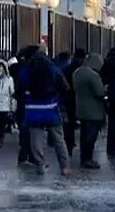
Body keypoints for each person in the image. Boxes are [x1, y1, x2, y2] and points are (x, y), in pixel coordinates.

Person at [21, 48, 72, 176]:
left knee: (36, 140)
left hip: (33, 111)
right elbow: (65, 87)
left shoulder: (26, 71)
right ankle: (65, 167)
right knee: (59, 139)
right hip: (51, 109)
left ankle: (40, 163)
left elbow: (19, 90)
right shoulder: (53, 69)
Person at [73, 53, 105, 169]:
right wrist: (106, 88)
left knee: (83, 135)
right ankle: (88, 159)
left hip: (81, 109)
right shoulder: (93, 75)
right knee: (90, 137)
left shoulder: (77, 72)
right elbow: (99, 92)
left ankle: (83, 158)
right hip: (93, 111)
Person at [12, 46, 39, 165]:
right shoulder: (31, 68)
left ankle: (24, 153)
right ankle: (30, 154)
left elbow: (19, 89)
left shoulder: (22, 68)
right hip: (30, 102)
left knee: (25, 129)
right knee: (31, 130)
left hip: (23, 103)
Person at [62, 48, 87, 157]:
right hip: (80, 98)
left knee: (69, 124)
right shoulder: (83, 70)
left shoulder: (67, 68)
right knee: (84, 124)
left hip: (69, 98)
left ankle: (69, 146)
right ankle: (82, 147)